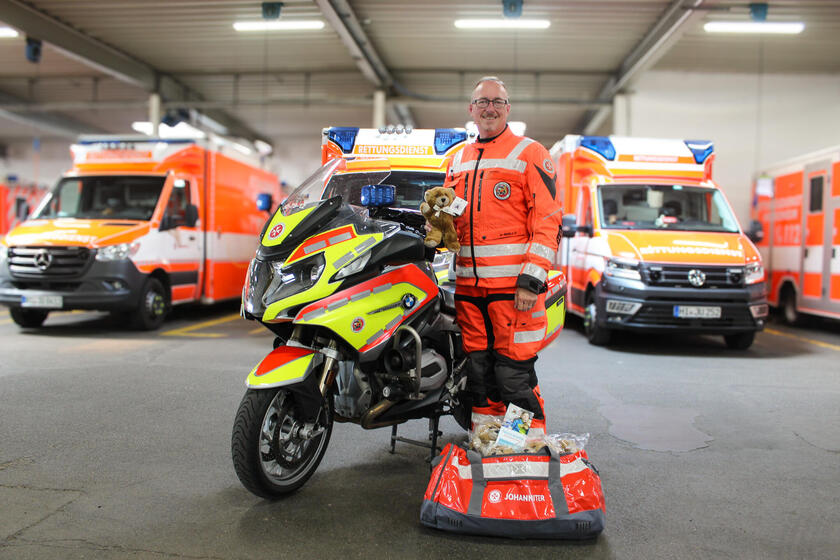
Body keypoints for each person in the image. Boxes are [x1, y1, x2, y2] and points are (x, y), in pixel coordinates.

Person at [444, 76, 563, 432]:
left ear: (508, 109)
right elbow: (453, 219)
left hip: (514, 288)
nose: (490, 108)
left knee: (513, 372)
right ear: (471, 109)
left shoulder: (530, 153)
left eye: (497, 102)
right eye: (483, 102)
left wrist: (531, 280)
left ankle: (523, 446)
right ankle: (487, 438)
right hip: (468, 287)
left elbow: (548, 220)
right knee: (479, 370)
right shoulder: (459, 159)